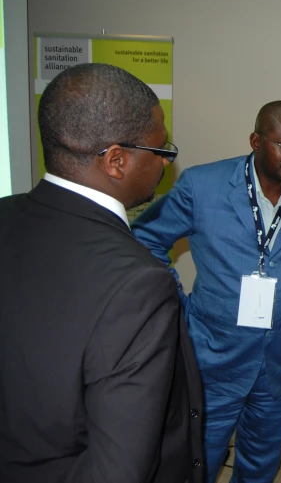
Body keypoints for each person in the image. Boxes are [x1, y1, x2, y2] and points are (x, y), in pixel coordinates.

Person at [132, 100, 281, 483]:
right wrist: (180, 308)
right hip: (212, 356)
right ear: (256, 141)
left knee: (261, 459)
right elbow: (145, 240)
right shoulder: (201, 185)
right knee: (197, 458)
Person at [0, 63, 204, 483]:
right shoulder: (139, 284)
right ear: (115, 161)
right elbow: (119, 471)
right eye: (162, 150)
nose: (166, 163)